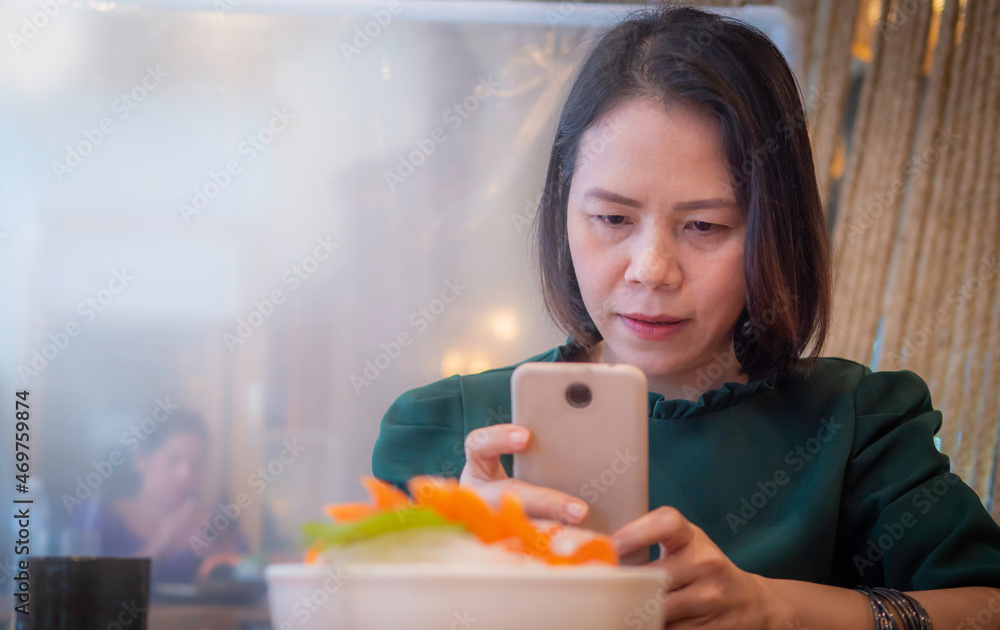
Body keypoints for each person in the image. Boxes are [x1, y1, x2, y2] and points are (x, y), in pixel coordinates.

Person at [371, 5, 1000, 629]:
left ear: (776, 230)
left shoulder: (856, 424)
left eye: (705, 225)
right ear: (563, 213)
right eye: (612, 219)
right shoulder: (440, 434)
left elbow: (985, 606)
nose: (651, 269)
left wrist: (775, 607)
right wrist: (456, 579)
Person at [71, 410, 247, 583]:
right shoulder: (99, 517)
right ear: (141, 460)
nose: (185, 475)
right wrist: (160, 543)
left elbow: (253, 583)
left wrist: (227, 561)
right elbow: (82, 585)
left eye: (197, 463)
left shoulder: (215, 524)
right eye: (173, 460)